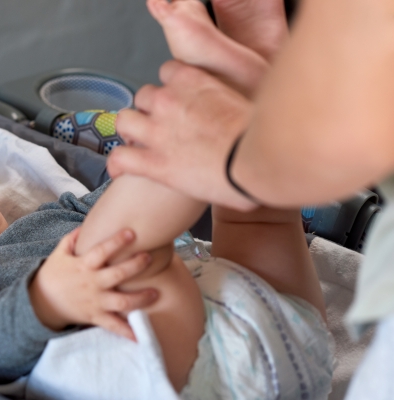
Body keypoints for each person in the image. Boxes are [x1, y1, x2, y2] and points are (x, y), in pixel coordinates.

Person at [0, 2, 333, 396]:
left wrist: (131, 164)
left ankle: (251, 60)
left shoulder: (53, 212)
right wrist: (48, 299)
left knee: (255, 209)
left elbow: (125, 200)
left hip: (278, 325)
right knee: (117, 251)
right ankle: (212, 105)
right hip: (190, 375)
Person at [109, 0, 394, 398]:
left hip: (286, 348)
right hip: (191, 374)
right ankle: (231, 85)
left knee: (257, 218)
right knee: (119, 256)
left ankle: (247, 79)